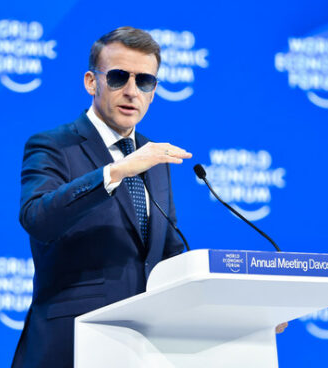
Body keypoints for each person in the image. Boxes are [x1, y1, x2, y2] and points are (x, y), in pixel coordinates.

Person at [11, 26, 193, 368]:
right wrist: (116, 171)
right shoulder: (54, 145)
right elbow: (37, 218)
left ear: (153, 91)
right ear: (91, 82)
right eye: (118, 77)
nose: (131, 91)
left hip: (141, 348)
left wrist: (231, 313)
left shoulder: (153, 157)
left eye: (144, 81)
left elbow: (169, 254)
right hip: (71, 344)